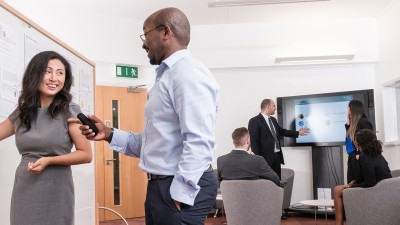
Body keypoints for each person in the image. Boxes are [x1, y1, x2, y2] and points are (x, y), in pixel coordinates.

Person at [69, 7, 220, 225]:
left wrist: (179, 193)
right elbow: (153, 142)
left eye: (145, 34)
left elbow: (200, 141)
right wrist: (109, 133)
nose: (143, 43)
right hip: (161, 186)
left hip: (176, 187)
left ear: (165, 32)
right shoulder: (167, 77)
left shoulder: (187, 74)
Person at [0, 51, 92, 225]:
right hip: (25, 187)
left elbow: (86, 154)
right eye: (48, 71)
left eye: (60, 73)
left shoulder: (70, 110)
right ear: (35, 74)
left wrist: (49, 160)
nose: (54, 78)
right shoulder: (23, 111)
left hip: (56, 188)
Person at [333, 129, 391, 225]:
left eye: (355, 139)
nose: (354, 141)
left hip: (376, 192)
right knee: (339, 189)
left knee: (337, 190)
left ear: (359, 142)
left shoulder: (364, 156)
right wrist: (354, 183)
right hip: (385, 191)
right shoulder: (377, 154)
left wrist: (350, 187)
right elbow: (369, 176)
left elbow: (370, 183)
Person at [248, 99, 308, 179]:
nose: (275, 108)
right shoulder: (254, 121)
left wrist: (298, 133)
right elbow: (254, 141)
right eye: (274, 106)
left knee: (277, 181)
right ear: (268, 107)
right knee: (267, 183)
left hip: (276, 157)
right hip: (265, 159)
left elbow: (281, 131)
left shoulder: (273, 120)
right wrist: (258, 160)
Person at [217, 127, 281, 187]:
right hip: (254, 198)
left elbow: (220, 184)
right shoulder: (257, 160)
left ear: (233, 142)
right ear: (248, 141)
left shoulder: (220, 160)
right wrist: (255, 158)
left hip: (229, 198)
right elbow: (276, 180)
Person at [345, 99, 374, 186]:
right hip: (352, 159)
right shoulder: (351, 125)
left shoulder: (364, 122)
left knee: (355, 189)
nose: (347, 111)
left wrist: (359, 155)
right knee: (350, 190)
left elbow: (369, 142)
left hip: (359, 160)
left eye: (348, 108)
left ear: (353, 109)